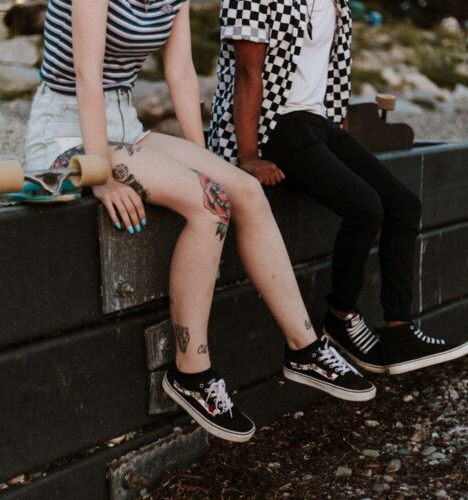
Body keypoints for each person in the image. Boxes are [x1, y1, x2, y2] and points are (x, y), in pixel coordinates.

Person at [26, 0, 375, 443]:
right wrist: (100, 176)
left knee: (245, 191)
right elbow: (86, 76)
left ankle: (305, 348)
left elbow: (182, 73)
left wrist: (203, 158)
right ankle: (191, 371)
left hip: (125, 124)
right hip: (66, 130)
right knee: (210, 205)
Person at [208, 0, 468, 375]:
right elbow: (247, 70)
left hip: (318, 123)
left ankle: (399, 332)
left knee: (403, 205)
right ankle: (340, 316)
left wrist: (340, 142)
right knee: (365, 207)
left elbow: (331, 73)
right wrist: (248, 155)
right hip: (274, 125)